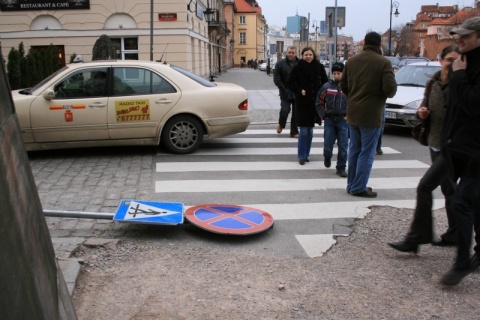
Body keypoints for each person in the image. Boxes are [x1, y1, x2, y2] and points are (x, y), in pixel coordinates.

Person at [388, 45, 461, 254]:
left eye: (456, 60)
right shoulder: (433, 82)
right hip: (436, 143)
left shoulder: (461, 86)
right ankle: (454, 234)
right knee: (450, 190)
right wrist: (422, 113)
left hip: (455, 148)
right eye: (448, 59)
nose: (451, 64)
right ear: (441, 60)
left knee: (426, 186)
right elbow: (426, 107)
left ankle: (416, 238)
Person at [439, 16, 480, 286]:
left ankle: (462, 262)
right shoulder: (463, 63)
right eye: (458, 34)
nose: (460, 38)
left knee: (462, 202)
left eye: (466, 35)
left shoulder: (467, 68)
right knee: (473, 202)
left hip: (477, 149)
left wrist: (460, 77)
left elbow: (475, 106)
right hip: (462, 147)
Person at [339, 32, 397, 197]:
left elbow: (343, 85)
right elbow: (390, 90)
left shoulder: (352, 61)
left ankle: (352, 185)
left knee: (354, 149)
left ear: (364, 43)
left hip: (353, 112)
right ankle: (359, 187)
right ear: (379, 45)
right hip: (371, 114)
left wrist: (355, 96)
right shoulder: (383, 63)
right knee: (367, 152)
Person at [286, 47, 328, 165]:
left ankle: (306, 154)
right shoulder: (298, 67)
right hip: (302, 102)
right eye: (306, 55)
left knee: (310, 131)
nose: (308, 56)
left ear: (313, 55)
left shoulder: (319, 67)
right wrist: (299, 90)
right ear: (302, 56)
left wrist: (323, 96)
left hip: (314, 102)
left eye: (310, 54)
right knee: (304, 130)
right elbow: (289, 82)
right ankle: (301, 155)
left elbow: (325, 83)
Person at [315, 61, 348, 177]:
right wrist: (323, 115)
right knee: (328, 144)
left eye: (339, 73)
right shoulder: (327, 87)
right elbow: (319, 102)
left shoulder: (348, 87)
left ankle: (341, 167)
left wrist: (348, 114)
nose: (337, 75)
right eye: (334, 73)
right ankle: (327, 156)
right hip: (329, 120)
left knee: (343, 145)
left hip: (343, 120)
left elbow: (353, 102)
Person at [274, 46, 299, 138]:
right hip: (285, 91)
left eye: (293, 52)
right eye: (289, 52)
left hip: (297, 92)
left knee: (296, 113)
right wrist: (283, 88)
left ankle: (294, 132)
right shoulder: (280, 63)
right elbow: (277, 78)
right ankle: (281, 124)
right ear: (286, 53)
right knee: (285, 110)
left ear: (295, 53)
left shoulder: (300, 63)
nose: (291, 54)